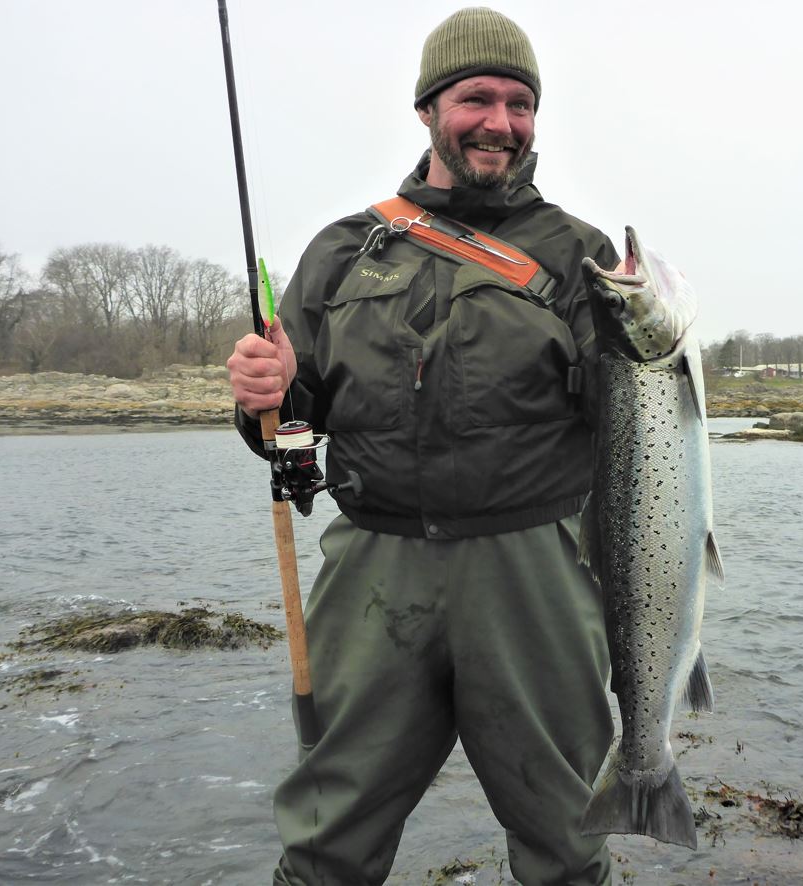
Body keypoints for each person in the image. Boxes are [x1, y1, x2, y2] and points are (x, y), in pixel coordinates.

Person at [226, 8, 621, 885]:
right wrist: (268, 395)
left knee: (566, 831)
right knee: (330, 833)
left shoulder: (580, 256)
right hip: (373, 565)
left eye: (520, 103)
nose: (500, 121)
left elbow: (628, 420)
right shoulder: (340, 252)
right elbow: (290, 425)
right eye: (477, 97)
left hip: (536, 571)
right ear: (427, 109)